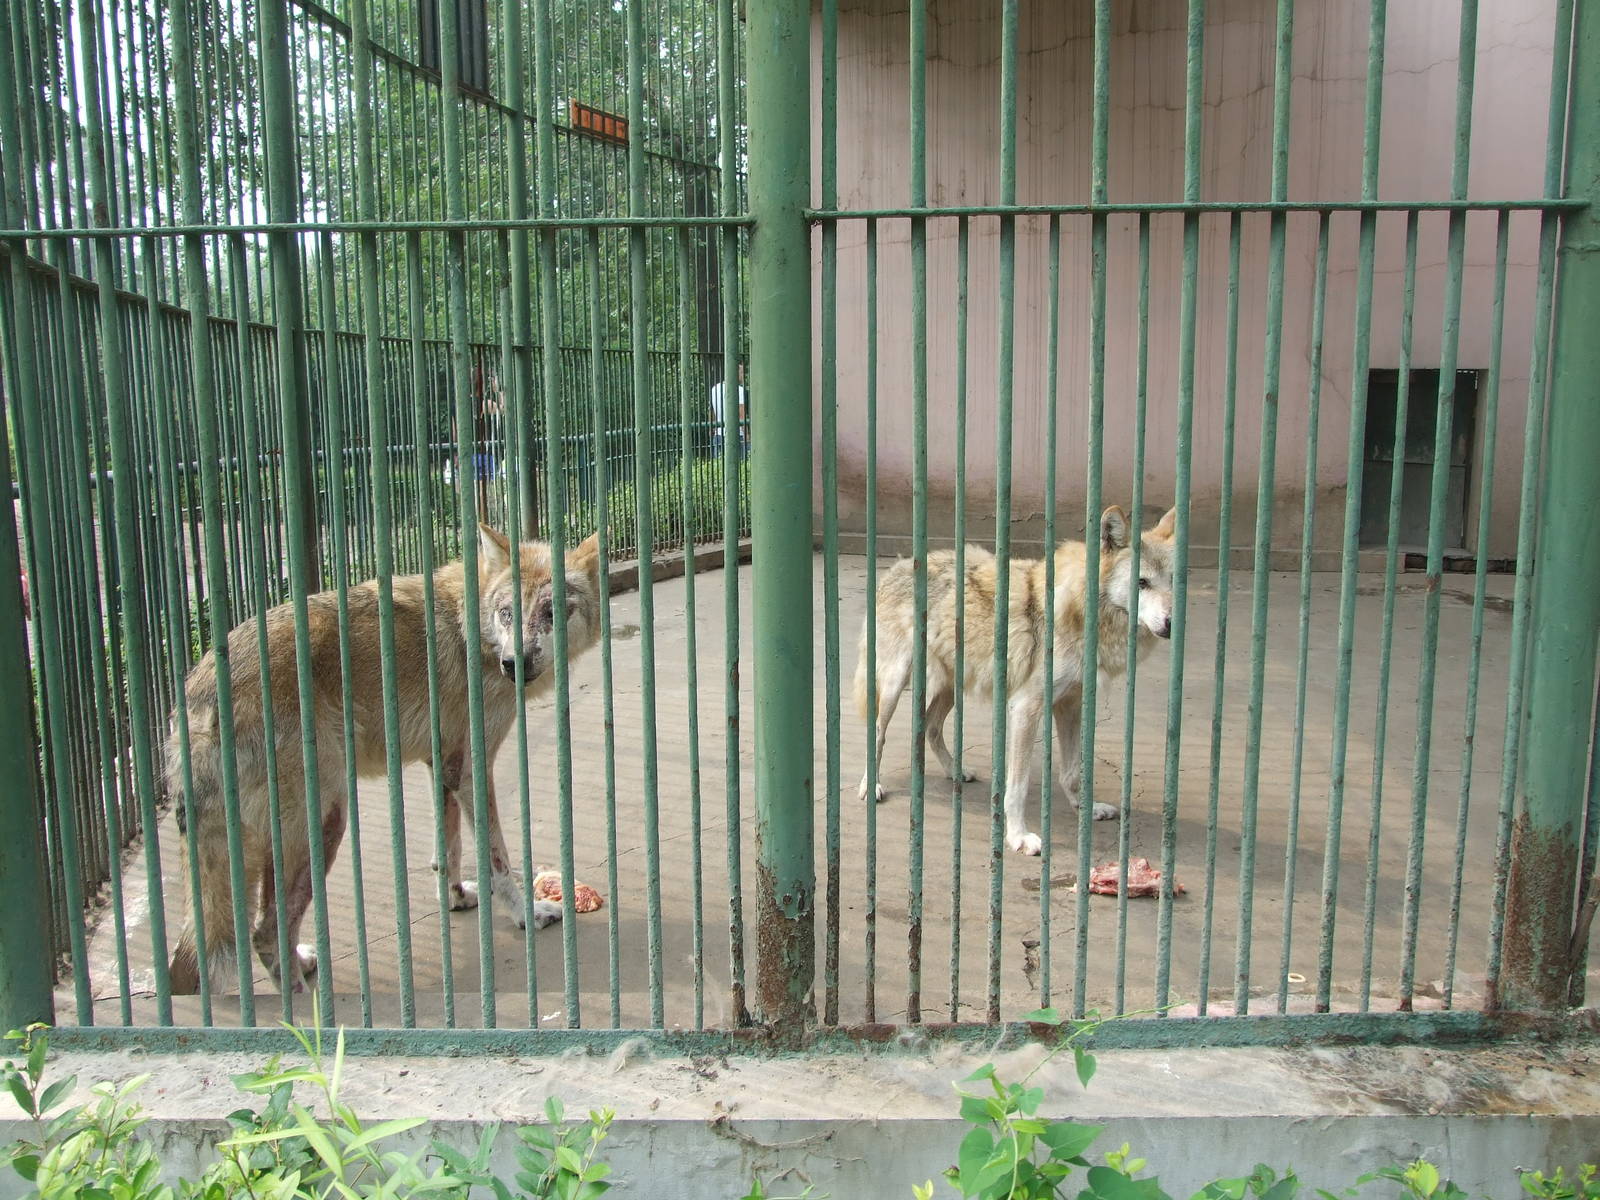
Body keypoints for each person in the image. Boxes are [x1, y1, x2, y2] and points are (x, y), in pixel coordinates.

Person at [708, 362, 748, 457]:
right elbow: (741, 414)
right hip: (737, 434)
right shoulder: (739, 390)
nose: (743, 376)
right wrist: (746, 434)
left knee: (719, 466)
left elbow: (711, 411)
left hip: (718, 434)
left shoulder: (715, 388)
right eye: (742, 373)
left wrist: (712, 428)